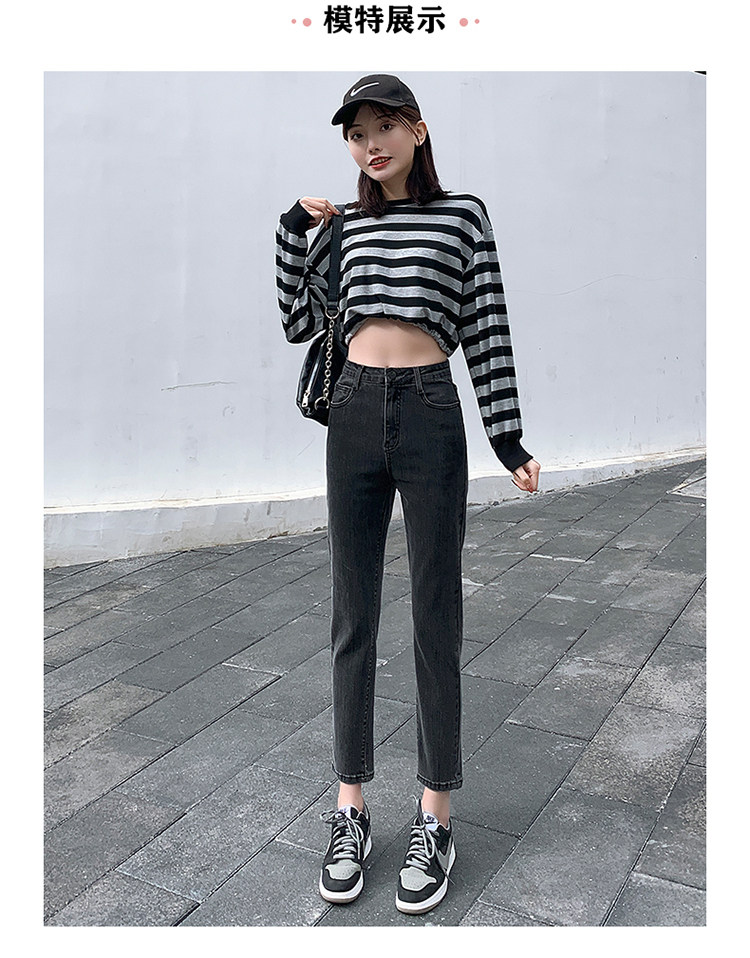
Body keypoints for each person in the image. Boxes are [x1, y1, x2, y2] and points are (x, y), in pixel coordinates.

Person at [275, 74, 541, 915]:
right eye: (357, 134)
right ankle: (350, 807)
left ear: (418, 131)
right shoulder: (345, 227)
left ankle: (435, 816)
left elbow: (487, 325)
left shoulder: (463, 217)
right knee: (352, 613)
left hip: (430, 409)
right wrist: (291, 233)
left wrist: (506, 436)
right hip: (353, 409)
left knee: (436, 614)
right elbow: (298, 320)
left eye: (384, 127)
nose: (371, 144)